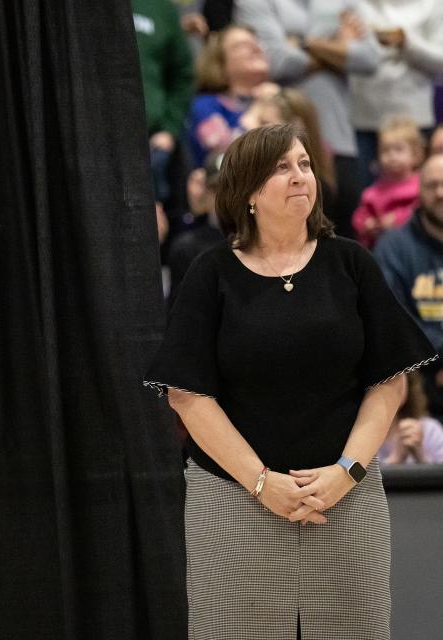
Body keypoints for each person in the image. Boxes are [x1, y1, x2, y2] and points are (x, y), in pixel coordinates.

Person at [144, 123, 436, 639]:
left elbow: (389, 381)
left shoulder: (351, 262)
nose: (300, 176)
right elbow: (187, 395)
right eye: (281, 168)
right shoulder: (209, 271)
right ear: (248, 191)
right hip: (233, 502)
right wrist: (261, 483)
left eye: (304, 164)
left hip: (345, 498)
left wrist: (346, 471)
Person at [234, 0, 380, 238]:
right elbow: (275, 60)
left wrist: (303, 44)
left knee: (337, 243)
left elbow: (370, 58)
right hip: (279, 147)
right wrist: (337, 48)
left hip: (340, 141)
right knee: (286, 238)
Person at [374, 154, 443, 416]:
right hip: (419, 381)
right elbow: (395, 320)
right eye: (432, 185)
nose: (440, 192)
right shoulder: (393, 247)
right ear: (418, 191)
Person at [351, 0, 443, 186]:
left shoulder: (433, 4)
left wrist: (405, 41)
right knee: (366, 195)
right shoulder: (355, 3)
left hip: (413, 119)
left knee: (417, 193)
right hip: (364, 116)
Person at [132, 0, 195, 208]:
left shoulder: (161, 8)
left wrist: (169, 128)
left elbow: (182, 75)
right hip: (92, 138)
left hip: (152, 141)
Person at [188, 25, 271, 167]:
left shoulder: (282, 97)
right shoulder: (205, 105)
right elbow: (225, 160)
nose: (257, 49)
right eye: (242, 46)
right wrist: (259, 108)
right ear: (220, 62)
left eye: (257, 43)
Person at [352, 116, 424, 249]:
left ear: (415, 155)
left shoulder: (421, 186)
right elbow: (359, 216)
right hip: (381, 249)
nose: (391, 156)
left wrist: (397, 219)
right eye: (385, 150)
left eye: (398, 150)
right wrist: (367, 224)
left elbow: (422, 210)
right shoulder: (373, 192)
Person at [167, 152, 225, 301]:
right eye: (217, 188)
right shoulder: (186, 247)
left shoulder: (261, 240)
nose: (225, 195)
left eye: (234, 186)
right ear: (207, 190)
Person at [378, 372, 443, 464]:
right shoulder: (353, 432)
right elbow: (353, 472)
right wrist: (394, 460)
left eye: (399, 374)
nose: (395, 384)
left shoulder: (430, 429)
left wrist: (421, 456)